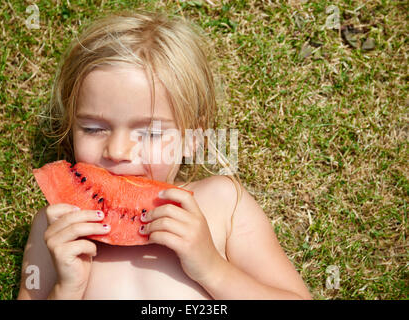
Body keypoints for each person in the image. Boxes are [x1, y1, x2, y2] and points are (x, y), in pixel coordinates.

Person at [17, 10, 312, 300]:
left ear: (191, 139)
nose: (118, 151)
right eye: (93, 129)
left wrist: (212, 269)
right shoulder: (56, 224)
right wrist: (65, 290)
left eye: (151, 133)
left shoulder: (221, 202)